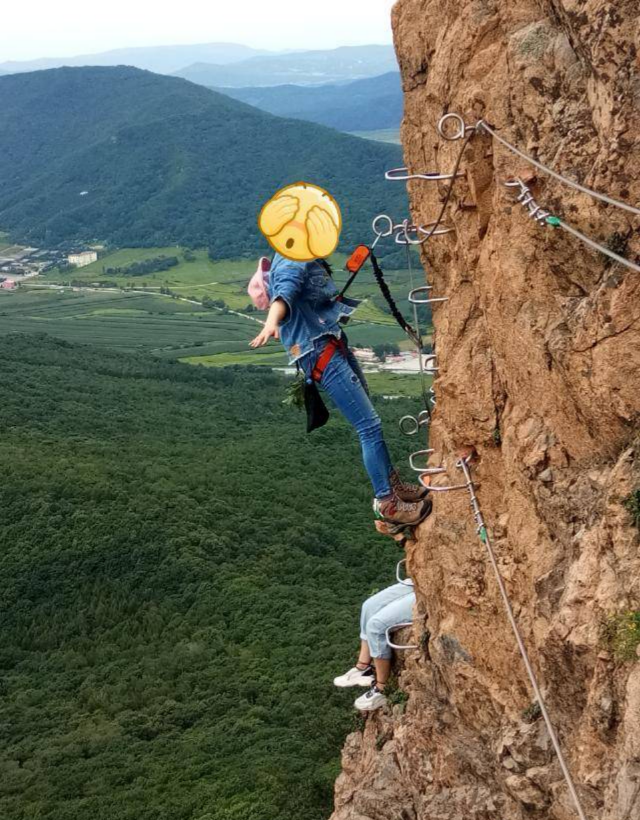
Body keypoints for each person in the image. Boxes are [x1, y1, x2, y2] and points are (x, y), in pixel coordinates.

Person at [249, 251, 431, 526]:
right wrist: (271, 323)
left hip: (328, 341)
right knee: (368, 425)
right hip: (318, 349)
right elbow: (283, 293)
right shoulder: (291, 257)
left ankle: (393, 488)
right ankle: (387, 502)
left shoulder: (299, 252)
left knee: (369, 421)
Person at [334, 578, 415, 712]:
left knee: (376, 626)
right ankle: (363, 667)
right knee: (369, 606)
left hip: (434, 590)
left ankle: (382, 687)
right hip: (419, 581)